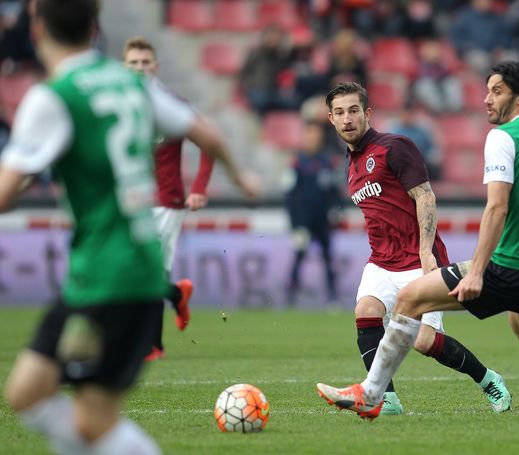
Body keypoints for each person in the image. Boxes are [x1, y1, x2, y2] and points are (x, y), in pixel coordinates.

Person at [0, 0, 256, 453]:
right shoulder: (134, 84)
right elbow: (209, 134)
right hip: (131, 269)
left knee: (89, 418)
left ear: (36, 29)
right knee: (28, 393)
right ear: (96, 27)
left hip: (105, 276)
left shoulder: (55, 95)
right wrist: (243, 178)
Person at [317, 62, 519, 421]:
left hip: (509, 264)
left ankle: (371, 394)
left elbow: (497, 207)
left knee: (410, 301)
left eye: (497, 91)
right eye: (488, 90)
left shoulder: (504, 137)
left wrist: (476, 270)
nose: (486, 100)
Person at [317, 81, 511, 417]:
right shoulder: (349, 164)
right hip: (381, 261)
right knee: (365, 312)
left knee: (424, 342)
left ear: (367, 114)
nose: (347, 118)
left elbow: (425, 196)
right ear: (330, 119)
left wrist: (425, 251)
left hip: (418, 259)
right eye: (339, 112)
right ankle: (386, 399)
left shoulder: (395, 147)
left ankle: (488, 379)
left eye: (353, 110)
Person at [122, 36, 255, 361]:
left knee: (148, 270)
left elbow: (208, 142)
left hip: (166, 201)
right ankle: (176, 294)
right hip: (130, 200)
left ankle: (152, 344)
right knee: (132, 270)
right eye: (133, 63)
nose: (140, 68)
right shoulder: (119, 105)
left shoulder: (171, 104)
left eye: (145, 62)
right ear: (124, 67)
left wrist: (199, 187)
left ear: (155, 66)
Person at [284, 121, 341, 306]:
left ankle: (332, 297)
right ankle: (291, 296)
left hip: (323, 220)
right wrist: (295, 224)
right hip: (303, 221)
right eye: (309, 136)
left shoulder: (327, 162)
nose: (313, 140)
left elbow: (335, 191)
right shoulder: (297, 163)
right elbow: (289, 196)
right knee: (299, 257)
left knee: (328, 257)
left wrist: (336, 210)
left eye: (316, 136)